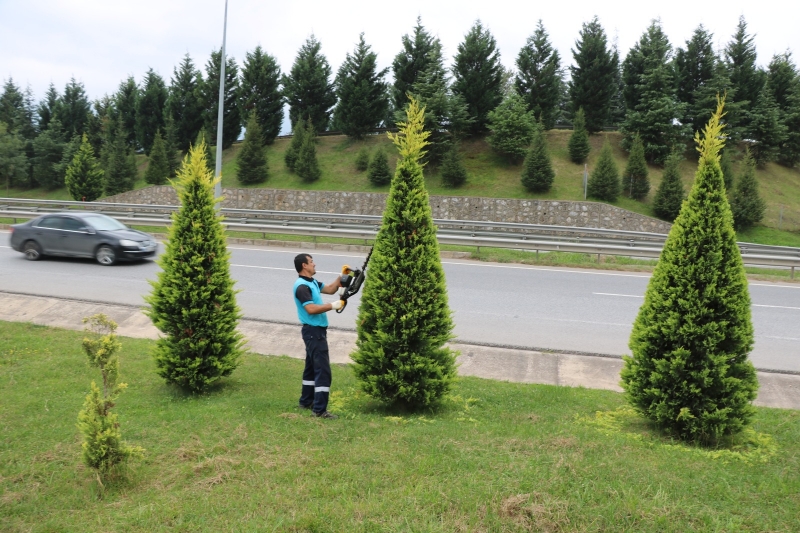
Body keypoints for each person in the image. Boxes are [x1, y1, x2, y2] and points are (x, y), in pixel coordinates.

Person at [293, 253, 349, 419]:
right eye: (311, 262)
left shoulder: (312, 283)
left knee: (311, 368)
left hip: (315, 332)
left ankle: (306, 401)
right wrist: (333, 306)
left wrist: (342, 276)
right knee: (323, 371)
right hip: (313, 332)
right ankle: (319, 410)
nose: (314, 264)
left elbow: (331, 289)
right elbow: (310, 309)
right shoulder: (302, 286)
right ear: (304, 265)